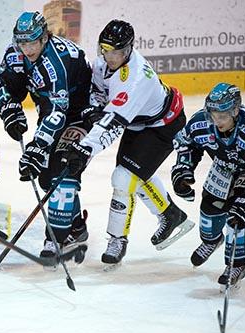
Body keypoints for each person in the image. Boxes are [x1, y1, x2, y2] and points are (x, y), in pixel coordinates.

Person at [62, 19, 194, 267]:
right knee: (134, 174)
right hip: (139, 123)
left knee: (123, 178)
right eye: (106, 49)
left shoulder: (136, 79)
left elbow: (112, 123)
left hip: (163, 125)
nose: (110, 56)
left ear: (130, 48)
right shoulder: (104, 60)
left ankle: (117, 239)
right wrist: (93, 109)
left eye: (118, 51)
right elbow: (99, 91)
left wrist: (84, 150)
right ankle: (170, 214)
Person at [0, 11, 92, 258]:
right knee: (46, 177)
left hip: (81, 112)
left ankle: (57, 238)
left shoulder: (56, 63)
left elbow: (60, 112)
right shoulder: (16, 52)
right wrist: (10, 110)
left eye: (32, 43)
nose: (27, 49)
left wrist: (38, 145)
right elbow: (4, 83)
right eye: (22, 42)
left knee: (63, 168)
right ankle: (77, 228)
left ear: (44, 38)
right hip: (51, 110)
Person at [171, 82, 245, 287]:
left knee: (239, 216)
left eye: (222, 116)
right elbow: (186, 143)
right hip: (224, 167)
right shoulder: (201, 122)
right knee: (209, 210)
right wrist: (182, 170)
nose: (216, 121)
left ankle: (236, 265)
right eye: (213, 114)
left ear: (235, 111)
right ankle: (211, 240)